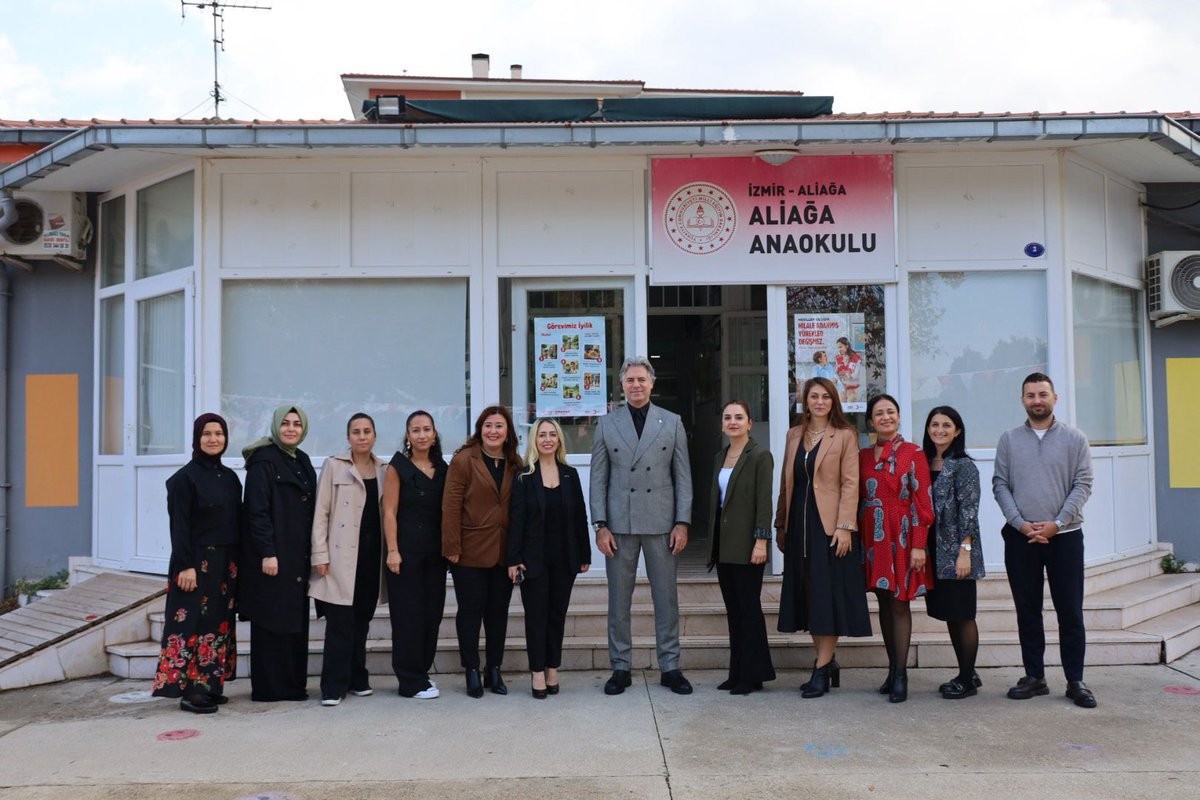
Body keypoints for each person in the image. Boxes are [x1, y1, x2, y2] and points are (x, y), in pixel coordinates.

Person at [590, 356, 694, 696]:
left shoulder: (672, 421)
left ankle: (670, 666)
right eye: (630, 380)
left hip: (662, 522)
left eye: (641, 380)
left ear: (652, 383)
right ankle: (620, 667)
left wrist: (682, 521)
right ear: (622, 385)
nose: (636, 385)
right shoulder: (607, 423)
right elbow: (598, 479)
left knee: (666, 599)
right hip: (619, 524)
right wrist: (600, 525)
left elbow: (682, 477)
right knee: (619, 600)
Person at [993, 373, 1095, 708]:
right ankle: (1035, 676)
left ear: (1055, 398)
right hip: (1020, 539)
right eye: (1030, 395)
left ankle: (1075, 680)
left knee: (1070, 611)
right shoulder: (1009, 439)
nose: (1037, 400)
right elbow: (1000, 484)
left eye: (1043, 394)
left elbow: (1082, 484)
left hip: (1064, 537)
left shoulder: (1075, 439)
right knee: (1028, 610)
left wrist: (1057, 523)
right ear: (1022, 400)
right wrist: (1021, 524)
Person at [775, 378, 868, 698]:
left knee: (826, 597)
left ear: (834, 402)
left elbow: (851, 484)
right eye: (813, 396)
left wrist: (845, 526)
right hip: (798, 528)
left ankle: (821, 668)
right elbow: (787, 482)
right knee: (810, 596)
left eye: (825, 397)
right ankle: (827, 663)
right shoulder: (794, 435)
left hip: (828, 528)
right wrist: (780, 523)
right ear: (805, 401)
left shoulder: (844, 436)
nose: (819, 402)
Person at [152, 413, 242, 714]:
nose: (214, 439)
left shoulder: (230, 478)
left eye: (219, 433)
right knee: (191, 622)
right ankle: (190, 692)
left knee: (217, 625)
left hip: (225, 563)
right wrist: (185, 565)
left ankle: (209, 685)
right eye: (207, 433)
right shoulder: (183, 479)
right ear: (196, 438)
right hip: (195, 562)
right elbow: (179, 526)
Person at [507, 418, 591, 698]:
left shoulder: (570, 474)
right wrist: (513, 558)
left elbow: (580, 516)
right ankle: (536, 673)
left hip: (564, 558)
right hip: (533, 560)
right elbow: (515, 520)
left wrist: (584, 553)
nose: (547, 439)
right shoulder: (524, 477)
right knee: (536, 617)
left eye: (552, 434)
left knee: (557, 616)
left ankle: (552, 668)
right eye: (541, 434)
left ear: (558, 440)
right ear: (534, 440)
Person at [309, 413, 387, 706]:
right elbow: (321, 513)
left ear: (375, 435)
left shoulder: (384, 469)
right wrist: (320, 553)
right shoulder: (333, 466)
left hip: (370, 558)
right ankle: (332, 685)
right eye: (356, 431)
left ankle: (358, 676)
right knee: (340, 621)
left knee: (362, 621)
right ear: (348, 437)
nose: (362, 436)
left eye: (367, 431)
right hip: (340, 557)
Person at [240, 405, 317, 702]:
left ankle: (293, 685)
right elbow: (256, 512)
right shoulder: (263, 461)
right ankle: (269, 688)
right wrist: (267, 552)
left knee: (293, 622)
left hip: (297, 556)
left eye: (297, 424)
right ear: (275, 426)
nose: (291, 429)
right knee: (272, 622)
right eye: (285, 423)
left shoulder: (303, 460)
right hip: (275, 557)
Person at [442, 405, 521, 698]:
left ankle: (494, 669)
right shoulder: (464, 459)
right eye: (488, 425)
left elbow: (518, 509)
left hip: (504, 554)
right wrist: (451, 547)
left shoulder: (515, 461)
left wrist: (518, 553)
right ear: (480, 428)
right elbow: (450, 505)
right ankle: (472, 670)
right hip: (469, 553)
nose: (493, 431)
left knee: (498, 613)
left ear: (507, 431)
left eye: (499, 426)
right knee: (471, 613)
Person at [860, 393, 934, 703]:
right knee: (883, 603)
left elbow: (922, 500)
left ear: (899, 417)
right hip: (873, 535)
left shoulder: (913, 452)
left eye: (891, 411)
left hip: (903, 535)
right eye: (879, 413)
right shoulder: (862, 456)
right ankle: (891, 670)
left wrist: (919, 545)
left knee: (900, 604)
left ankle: (902, 674)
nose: (886, 417)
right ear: (871, 421)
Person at [708, 401, 775, 695]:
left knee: (749, 610)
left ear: (749, 423)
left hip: (749, 545)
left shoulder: (760, 456)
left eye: (739, 417)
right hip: (724, 546)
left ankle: (753, 674)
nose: (732, 422)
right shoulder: (720, 456)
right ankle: (737, 673)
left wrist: (761, 540)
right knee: (734, 611)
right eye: (727, 417)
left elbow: (764, 501)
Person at [382, 410, 449, 700]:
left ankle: (421, 671)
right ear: (408, 436)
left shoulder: (443, 468)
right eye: (416, 430)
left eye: (427, 429)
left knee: (431, 615)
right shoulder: (397, 467)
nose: (422, 435)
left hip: (435, 555)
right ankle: (409, 681)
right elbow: (389, 511)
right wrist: (393, 551)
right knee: (408, 617)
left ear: (435, 434)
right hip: (405, 554)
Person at [921, 405, 985, 699]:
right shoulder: (924, 462)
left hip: (957, 549)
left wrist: (965, 551)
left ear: (957, 431)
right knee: (950, 613)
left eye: (947, 425)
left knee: (963, 614)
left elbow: (969, 512)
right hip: (933, 549)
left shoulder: (964, 465)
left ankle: (967, 679)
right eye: (935, 424)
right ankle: (967, 671)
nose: (940, 430)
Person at [835, 337, 863, 403]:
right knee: (841, 405)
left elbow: (857, 372)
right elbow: (836, 370)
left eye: (840, 347)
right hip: (842, 385)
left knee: (850, 404)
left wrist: (849, 376)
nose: (839, 349)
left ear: (847, 346)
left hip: (852, 385)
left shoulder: (856, 357)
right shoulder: (838, 357)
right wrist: (836, 379)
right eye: (838, 348)